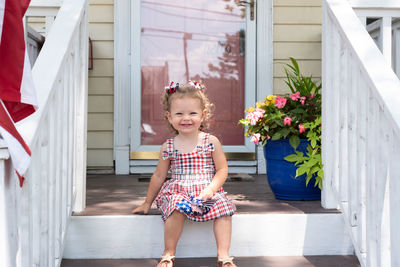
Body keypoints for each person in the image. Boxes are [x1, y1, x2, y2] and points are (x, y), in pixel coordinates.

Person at [132, 81, 237, 267]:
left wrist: (212, 189)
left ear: (203, 115)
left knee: (224, 209)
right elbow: (158, 176)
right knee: (175, 206)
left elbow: (222, 170)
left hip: (206, 191)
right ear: (169, 117)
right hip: (178, 191)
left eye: (192, 113)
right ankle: (168, 253)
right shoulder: (169, 146)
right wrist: (147, 202)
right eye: (179, 113)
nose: (186, 118)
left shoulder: (211, 142)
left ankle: (224, 256)